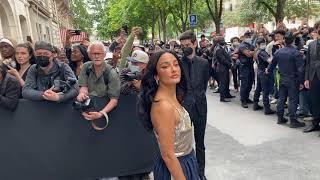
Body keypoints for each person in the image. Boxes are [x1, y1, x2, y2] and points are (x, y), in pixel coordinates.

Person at [138, 50, 199, 180]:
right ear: (156, 75)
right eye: (165, 67)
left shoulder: (173, 96)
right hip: (175, 168)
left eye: (176, 64)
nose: (173, 69)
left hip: (187, 161)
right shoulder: (163, 106)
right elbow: (168, 155)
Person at [179, 30, 209, 180]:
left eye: (188, 45)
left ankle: (200, 173)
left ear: (195, 44)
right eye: (183, 45)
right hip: (183, 108)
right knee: (183, 144)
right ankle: (185, 173)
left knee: (200, 143)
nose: (185, 48)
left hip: (200, 107)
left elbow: (204, 84)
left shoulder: (203, 63)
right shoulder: (178, 63)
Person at [266, 32, 305, 128]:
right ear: (293, 41)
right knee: (292, 100)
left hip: (282, 78)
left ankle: (280, 118)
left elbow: (272, 65)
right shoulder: (296, 52)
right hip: (292, 79)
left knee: (281, 98)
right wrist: (301, 81)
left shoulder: (279, 52)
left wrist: (268, 71)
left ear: (284, 40)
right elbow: (300, 69)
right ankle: (293, 120)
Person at [77, 42, 120, 122]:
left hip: (105, 109)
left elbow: (114, 100)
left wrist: (101, 114)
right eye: (94, 53)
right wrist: (82, 93)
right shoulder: (86, 67)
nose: (97, 56)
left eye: (99, 53)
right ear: (89, 55)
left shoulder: (111, 73)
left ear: (104, 55)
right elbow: (83, 86)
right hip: (89, 108)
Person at [303, 21, 320, 133]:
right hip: (313, 76)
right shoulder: (312, 44)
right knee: (314, 101)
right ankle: (315, 123)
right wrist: (306, 78)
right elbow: (308, 63)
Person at [252, 38, 275, 115]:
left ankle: (255, 104)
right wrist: (272, 55)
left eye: (264, 43)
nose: (263, 45)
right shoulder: (262, 52)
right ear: (257, 45)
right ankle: (267, 108)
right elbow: (269, 61)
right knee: (265, 91)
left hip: (259, 71)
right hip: (264, 73)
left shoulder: (257, 51)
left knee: (258, 88)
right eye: (261, 44)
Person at [238, 31, 255, 108]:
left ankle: (247, 97)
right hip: (244, 66)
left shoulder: (251, 45)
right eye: (247, 36)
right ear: (244, 37)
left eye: (250, 36)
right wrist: (254, 52)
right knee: (244, 84)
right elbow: (248, 54)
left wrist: (252, 52)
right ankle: (243, 100)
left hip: (250, 65)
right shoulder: (242, 45)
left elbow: (252, 53)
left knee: (250, 83)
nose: (249, 38)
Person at [213, 36, 232, 102]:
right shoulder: (218, 49)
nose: (223, 41)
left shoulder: (223, 48)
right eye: (221, 40)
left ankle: (227, 94)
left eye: (223, 39)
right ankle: (222, 97)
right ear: (219, 42)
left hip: (225, 67)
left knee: (226, 82)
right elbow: (222, 59)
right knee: (223, 83)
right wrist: (230, 64)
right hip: (222, 68)